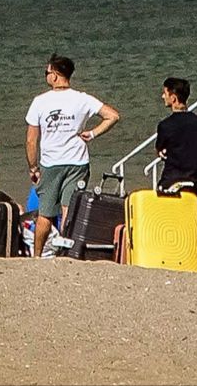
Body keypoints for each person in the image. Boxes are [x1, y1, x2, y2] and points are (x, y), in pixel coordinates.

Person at [26, 54, 120, 257]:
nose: (46, 76)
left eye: (47, 72)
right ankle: (66, 252)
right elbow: (112, 116)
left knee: (45, 213)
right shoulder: (82, 99)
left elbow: (31, 140)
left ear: (56, 74)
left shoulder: (40, 101)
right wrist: (93, 133)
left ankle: (37, 254)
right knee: (69, 209)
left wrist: (33, 168)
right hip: (77, 161)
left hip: (51, 163)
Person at [155, 77, 197, 271]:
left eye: (165, 93)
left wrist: (163, 151)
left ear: (173, 96)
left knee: (164, 221)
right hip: (194, 180)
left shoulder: (165, 125)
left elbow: (160, 148)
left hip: (171, 180)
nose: (163, 96)